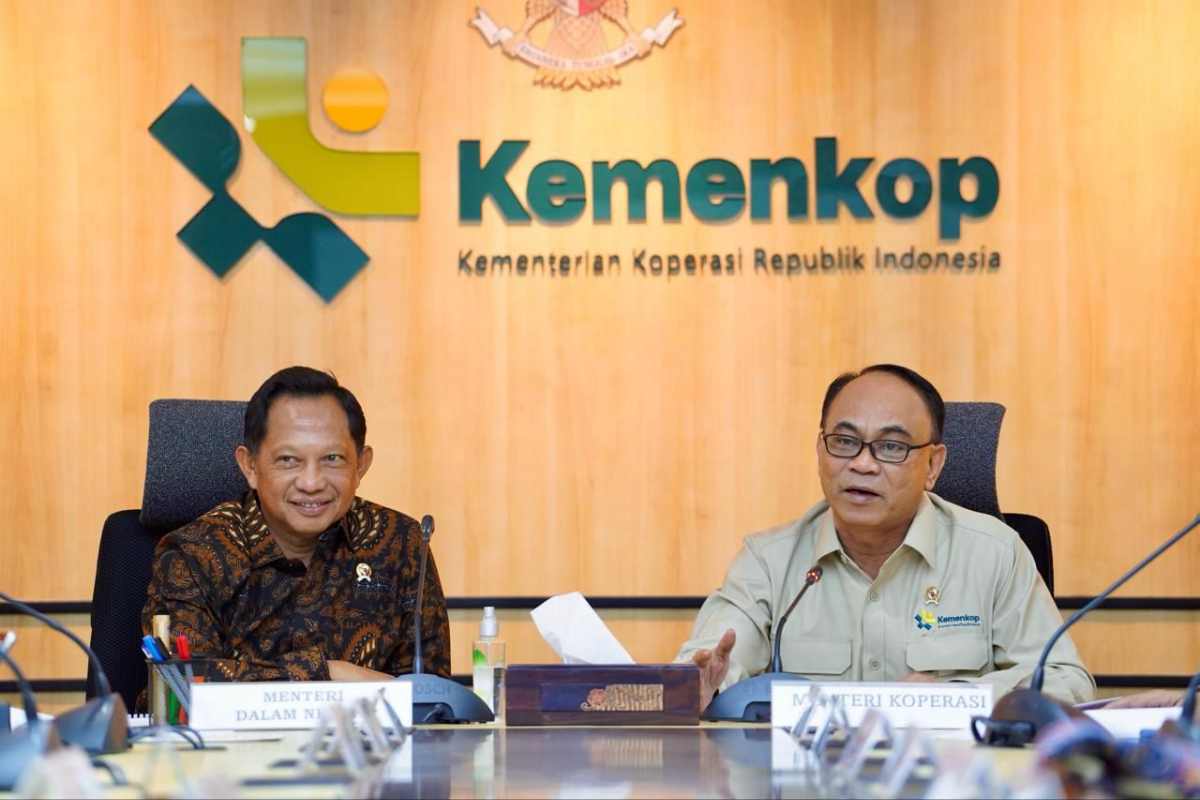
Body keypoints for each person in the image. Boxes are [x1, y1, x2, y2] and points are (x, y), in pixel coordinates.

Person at [677, 364, 1094, 709]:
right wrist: (701, 684)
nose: (862, 464)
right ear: (820, 451)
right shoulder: (768, 561)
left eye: (892, 447)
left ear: (933, 465)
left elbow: (1066, 681)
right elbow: (709, 662)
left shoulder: (994, 553)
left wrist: (953, 699)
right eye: (844, 441)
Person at [141, 366, 450, 684]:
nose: (312, 483)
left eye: (332, 458)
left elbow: (431, 695)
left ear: (361, 464)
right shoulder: (195, 554)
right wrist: (328, 673)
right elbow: (181, 686)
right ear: (250, 466)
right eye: (288, 460)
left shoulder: (401, 543)